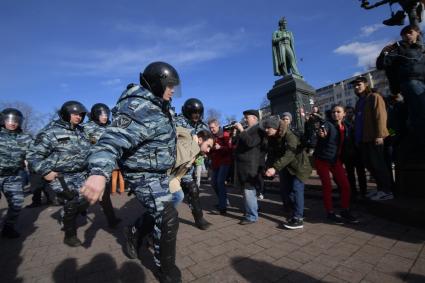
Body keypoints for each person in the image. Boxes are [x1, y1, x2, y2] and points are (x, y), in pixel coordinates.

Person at [81, 62, 181, 283]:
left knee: (165, 206)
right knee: (167, 218)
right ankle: (166, 271)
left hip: (159, 172)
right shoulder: (136, 106)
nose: (173, 90)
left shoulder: (160, 106)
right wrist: (98, 172)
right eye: (169, 85)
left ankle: (134, 231)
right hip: (142, 173)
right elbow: (110, 140)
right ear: (156, 83)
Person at [26, 101, 91, 246]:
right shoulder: (50, 131)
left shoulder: (82, 131)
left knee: (87, 199)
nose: (79, 117)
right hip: (60, 176)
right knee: (73, 201)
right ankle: (70, 235)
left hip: (81, 174)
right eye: (75, 114)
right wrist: (45, 171)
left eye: (81, 114)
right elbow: (33, 155)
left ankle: (66, 215)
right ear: (65, 114)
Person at [377, 24, 425, 143]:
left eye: (409, 32)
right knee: (420, 109)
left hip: (421, 83)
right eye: (404, 34)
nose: (406, 35)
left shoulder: (422, 49)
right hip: (410, 82)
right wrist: (384, 53)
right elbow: (381, 64)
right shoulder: (399, 49)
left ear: (417, 32)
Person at [263, 116, 312, 229]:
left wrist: (275, 168)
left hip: (299, 166)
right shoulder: (271, 137)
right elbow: (271, 154)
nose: (266, 130)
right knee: (287, 190)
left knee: (296, 189)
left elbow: (290, 154)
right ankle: (296, 211)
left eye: (268, 128)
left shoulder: (289, 135)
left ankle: (298, 219)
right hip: (286, 166)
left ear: (276, 128)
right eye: (265, 128)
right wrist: (268, 167)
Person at [313, 104, 359, 224]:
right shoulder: (328, 124)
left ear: (344, 114)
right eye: (333, 112)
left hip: (335, 160)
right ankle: (330, 212)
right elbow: (322, 131)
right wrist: (321, 133)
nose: (335, 114)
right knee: (327, 186)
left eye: (338, 112)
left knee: (346, 186)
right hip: (322, 159)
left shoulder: (346, 126)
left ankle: (345, 210)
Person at [351, 76, 394, 201]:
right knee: (370, 165)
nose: (356, 87)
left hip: (374, 137)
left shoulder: (374, 97)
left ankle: (387, 191)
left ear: (366, 84)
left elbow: (380, 117)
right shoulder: (359, 102)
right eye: (354, 86)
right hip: (363, 139)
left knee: (378, 164)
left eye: (359, 84)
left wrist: (380, 135)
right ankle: (380, 189)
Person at [174, 98, 211, 230]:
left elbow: (208, 139)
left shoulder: (202, 125)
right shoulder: (177, 122)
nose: (196, 117)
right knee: (168, 198)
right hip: (174, 166)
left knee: (193, 190)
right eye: (194, 113)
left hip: (189, 167)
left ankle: (199, 218)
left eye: (199, 114)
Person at [83, 103, 121, 228]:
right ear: (95, 115)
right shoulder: (86, 128)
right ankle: (72, 211)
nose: (104, 116)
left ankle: (111, 219)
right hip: (94, 166)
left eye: (106, 114)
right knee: (99, 195)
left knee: (104, 194)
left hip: (110, 164)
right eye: (101, 114)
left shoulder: (111, 126)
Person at [0, 108, 32, 238]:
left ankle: (8, 227)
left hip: (13, 176)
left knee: (17, 203)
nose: (13, 123)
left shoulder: (25, 138)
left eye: (16, 121)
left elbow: (35, 153)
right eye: (10, 120)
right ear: (3, 120)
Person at [233, 110, 266, 225]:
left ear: (255, 118)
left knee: (249, 190)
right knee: (246, 190)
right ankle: (251, 210)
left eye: (247, 117)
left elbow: (251, 143)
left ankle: (252, 216)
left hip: (251, 165)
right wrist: (236, 133)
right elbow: (236, 144)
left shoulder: (259, 130)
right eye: (245, 117)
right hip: (243, 165)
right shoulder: (248, 130)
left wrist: (242, 130)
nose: (245, 119)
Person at [170, 129, 214, 208]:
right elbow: (177, 129)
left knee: (179, 196)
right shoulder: (187, 140)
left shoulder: (197, 152)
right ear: (200, 140)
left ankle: (160, 215)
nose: (208, 150)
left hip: (175, 177)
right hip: (164, 175)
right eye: (208, 146)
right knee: (177, 196)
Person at [208, 118, 233, 214]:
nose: (211, 130)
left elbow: (230, 150)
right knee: (213, 183)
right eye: (210, 128)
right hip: (215, 163)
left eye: (213, 128)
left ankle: (223, 207)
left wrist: (220, 148)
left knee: (220, 182)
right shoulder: (211, 137)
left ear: (218, 125)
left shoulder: (225, 134)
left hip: (224, 162)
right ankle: (224, 201)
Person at [343, 106, 367, 201]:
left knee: (361, 173)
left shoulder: (358, 123)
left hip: (358, 152)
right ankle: (353, 191)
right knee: (350, 174)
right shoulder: (343, 124)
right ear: (345, 114)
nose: (350, 114)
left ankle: (363, 191)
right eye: (348, 112)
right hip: (348, 153)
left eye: (351, 112)